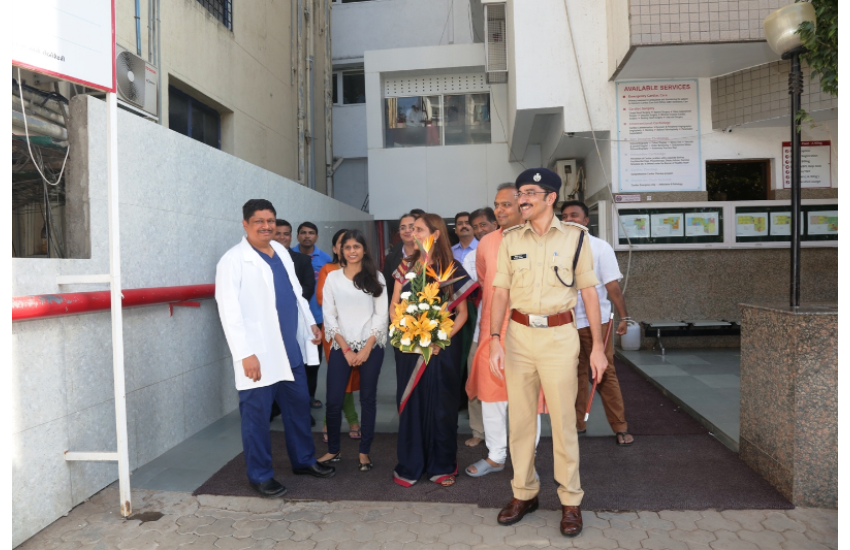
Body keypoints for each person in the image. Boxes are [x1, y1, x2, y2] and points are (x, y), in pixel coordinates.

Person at [490, 169, 608, 538]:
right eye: (519, 193)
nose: (521, 199)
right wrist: (495, 338)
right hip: (519, 337)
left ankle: (571, 501)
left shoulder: (576, 238)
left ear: (550, 197)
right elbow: (500, 293)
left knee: (562, 422)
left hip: (560, 336)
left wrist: (598, 348)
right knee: (521, 422)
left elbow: (590, 293)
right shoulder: (510, 239)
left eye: (528, 193)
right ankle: (524, 494)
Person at [215, 200, 335, 499]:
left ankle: (304, 461)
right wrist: (245, 354)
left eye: (270, 220)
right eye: (259, 221)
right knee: (256, 417)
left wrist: (310, 325)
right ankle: (260, 475)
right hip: (258, 355)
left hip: (290, 350)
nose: (266, 226)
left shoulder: (281, 252)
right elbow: (229, 312)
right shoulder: (233, 261)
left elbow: (295, 295)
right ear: (245, 224)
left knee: (297, 408)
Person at [391, 214, 479, 488]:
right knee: (412, 406)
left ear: (436, 233)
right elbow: (395, 304)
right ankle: (410, 465)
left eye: (418, 229)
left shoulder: (450, 268)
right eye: (411, 229)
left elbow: (462, 314)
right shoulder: (406, 265)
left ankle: (441, 467)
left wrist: (437, 340)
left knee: (442, 407)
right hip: (409, 348)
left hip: (442, 350)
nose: (412, 233)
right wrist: (407, 332)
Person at [465, 186, 543, 476]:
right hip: (493, 332)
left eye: (506, 205)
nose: (499, 210)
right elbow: (489, 285)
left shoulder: (539, 238)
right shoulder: (486, 242)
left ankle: (527, 459)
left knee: (527, 399)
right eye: (496, 205)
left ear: (523, 206)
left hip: (529, 330)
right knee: (491, 396)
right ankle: (496, 455)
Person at [561, 201, 635, 447]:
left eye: (574, 215)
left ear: (585, 221)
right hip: (566, 324)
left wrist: (623, 317)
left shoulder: (600, 247)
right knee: (576, 375)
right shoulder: (557, 248)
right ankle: (577, 425)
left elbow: (612, 287)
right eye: (564, 216)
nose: (569, 219)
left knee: (604, 374)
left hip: (597, 323)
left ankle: (620, 426)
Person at [319, 230, 389, 472]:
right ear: (340, 250)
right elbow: (328, 316)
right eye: (346, 246)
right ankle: (333, 449)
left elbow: (381, 315)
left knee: (368, 399)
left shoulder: (376, 277)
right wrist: (347, 349)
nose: (351, 251)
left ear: (364, 250)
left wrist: (367, 347)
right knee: (333, 399)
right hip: (342, 346)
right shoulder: (333, 278)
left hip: (371, 346)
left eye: (356, 246)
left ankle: (364, 452)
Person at [317, 230, 361, 443]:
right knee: (339, 376)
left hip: (360, 332)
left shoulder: (363, 269)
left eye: (352, 243)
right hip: (335, 333)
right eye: (343, 244)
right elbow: (321, 299)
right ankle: (342, 420)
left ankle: (343, 420)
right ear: (336, 249)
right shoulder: (328, 269)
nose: (348, 247)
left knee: (351, 375)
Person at [462, 207, 500, 448]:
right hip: (480, 330)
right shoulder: (469, 258)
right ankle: (478, 430)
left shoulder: (511, 248)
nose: (479, 230)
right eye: (475, 226)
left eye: (483, 225)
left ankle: (511, 432)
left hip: (510, 330)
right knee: (475, 380)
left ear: (495, 224)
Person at [293, 222, 333, 410]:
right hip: (293, 316)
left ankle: (309, 396)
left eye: (311, 233)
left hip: (316, 317)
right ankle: (291, 399)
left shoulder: (325, 259)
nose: (307, 236)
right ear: (297, 236)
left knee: (313, 362)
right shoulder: (288, 256)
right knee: (294, 360)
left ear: (316, 237)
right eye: (303, 233)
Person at [274, 220, 315, 302]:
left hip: (294, 309)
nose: (282, 237)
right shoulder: (260, 259)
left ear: (291, 237)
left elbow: (308, 288)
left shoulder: (303, 260)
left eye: (286, 234)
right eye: (277, 233)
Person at [382, 211, 422, 291]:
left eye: (411, 226)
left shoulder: (428, 254)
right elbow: (388, 289)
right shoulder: (391, 258)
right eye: (403, 227)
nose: (407, 230)